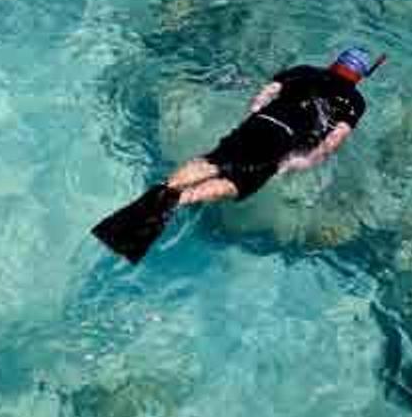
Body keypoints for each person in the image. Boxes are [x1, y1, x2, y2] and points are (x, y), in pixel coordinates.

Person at [91, 46, 385, 263]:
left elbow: (265, 94)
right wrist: (299, 161)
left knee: (214, 161)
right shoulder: (354, 101)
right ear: (359, 77)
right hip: (285, 140)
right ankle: (179, 200)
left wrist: (255, 116)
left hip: (261, 122)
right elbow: (334, 140)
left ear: (335, 62)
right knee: (239, 182)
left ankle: (164, 191)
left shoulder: (306, 70)